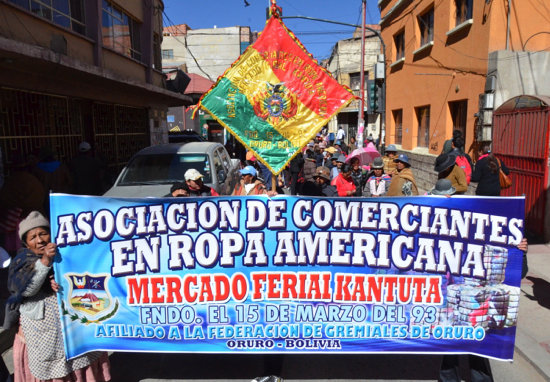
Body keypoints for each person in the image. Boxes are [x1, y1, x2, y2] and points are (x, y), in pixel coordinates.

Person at [4, 211, 111, 381]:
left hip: (75, 330)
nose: (40, 240)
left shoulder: (66, 254)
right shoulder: (22, 261)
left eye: (43, 233)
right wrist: (45, 262)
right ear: (26, 243)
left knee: (83, 365)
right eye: (33, 237)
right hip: (43, 335)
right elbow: (26, 290)